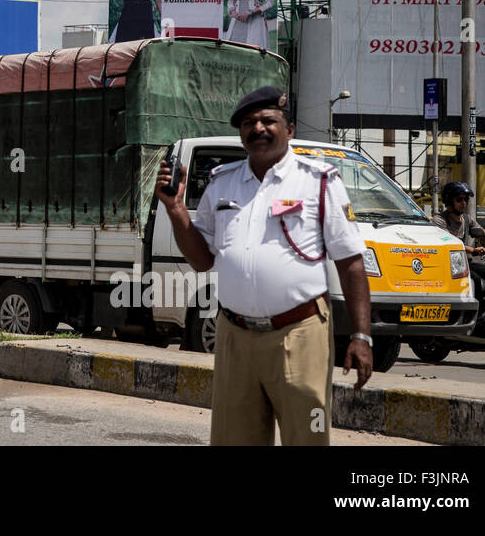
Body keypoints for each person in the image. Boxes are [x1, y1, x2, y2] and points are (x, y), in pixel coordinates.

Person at [156, 85, 374, 445]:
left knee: (307, 438)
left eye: (267, 120)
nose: (257, 128)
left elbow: (351, 264)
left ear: (288, 129)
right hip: (234, 336)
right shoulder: (221, 184)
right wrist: (176, 210)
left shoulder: (319, 181)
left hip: (300, 333)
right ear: (240, 134)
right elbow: (201, 260)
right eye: (248, 123)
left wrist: (361, 337)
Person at [434, 181, 485, 333]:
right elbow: (449, 243)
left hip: (466, 263)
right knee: (477, 282)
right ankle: (478, 322)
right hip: (449, 266)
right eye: (459, 200)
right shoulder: (439, 220)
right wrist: (473, 250)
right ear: (449, 201)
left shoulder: (466, 219)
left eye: (465, 200)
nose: (463, 203)